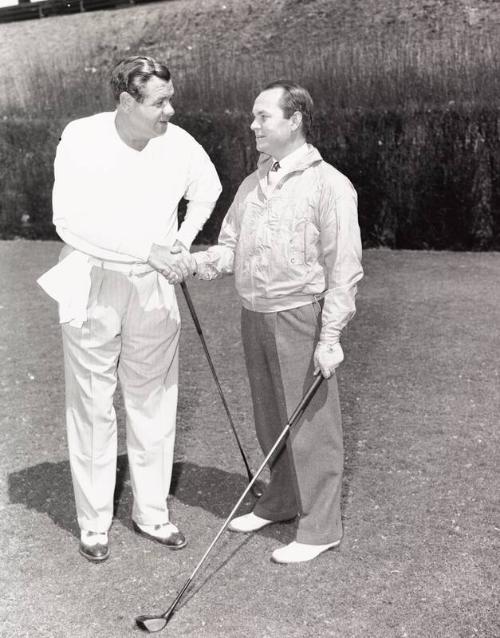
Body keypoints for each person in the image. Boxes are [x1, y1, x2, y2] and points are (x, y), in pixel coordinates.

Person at [37, 56, 222, 562]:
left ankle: (152, 513)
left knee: (154, 400)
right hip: (91, 279)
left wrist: (180, 243)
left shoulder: (178, 142)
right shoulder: (81, 137)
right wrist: (149, 249)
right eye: (160, 101)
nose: (170, 109)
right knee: (93, 404)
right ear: (126, 101)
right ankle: (93, 523)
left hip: (154, 287)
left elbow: (208, 188)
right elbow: (69, 219)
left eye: (169, 99)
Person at [194, 81, 363, 564]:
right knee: (271, 418)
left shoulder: (328, 183)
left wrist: (330, 336)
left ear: (295, 120)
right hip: (255, 313)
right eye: (254, 116)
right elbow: (229, 246)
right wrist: (191, 264)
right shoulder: (253, 183)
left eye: (263, 116)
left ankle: (320, 527)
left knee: (311, 425)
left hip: (300, 317)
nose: (253, 125)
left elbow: (344, 267)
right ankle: (283, 499)